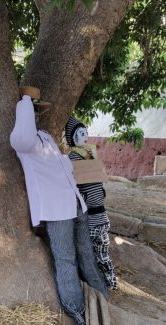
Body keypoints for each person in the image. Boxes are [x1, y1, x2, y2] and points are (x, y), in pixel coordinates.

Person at [10, 86, 109, 325]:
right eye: (31, 110)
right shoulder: (23, 139)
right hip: (56, 211)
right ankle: (78, 312)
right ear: (22, 111)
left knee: (87, 253)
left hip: (75, 203)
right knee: (66, 260)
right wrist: (25, 101)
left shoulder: (45, 137)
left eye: (36, 110)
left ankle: (102, 299)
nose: (34, 114)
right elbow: (23, 138)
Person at [62, 117, 117, 290]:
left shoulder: (89, 154)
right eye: (80, 133)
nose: (85, 136)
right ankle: (104, 282)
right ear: (71, 138)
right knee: (96, 250)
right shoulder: (74, 157)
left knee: (99, 250)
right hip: (92, 215)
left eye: (86, 132)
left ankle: (108, 283)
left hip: (97, 214)